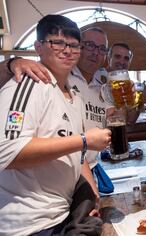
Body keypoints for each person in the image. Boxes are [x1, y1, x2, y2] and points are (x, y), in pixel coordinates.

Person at [0, 14, 111, 235]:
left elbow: (77, 154)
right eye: (57, 42)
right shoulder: (27, 83)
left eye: (73, 45)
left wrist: (91, 193)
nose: (67, 50)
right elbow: (6, 152)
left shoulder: (73, 95)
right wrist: (84, 140)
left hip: (62, 212)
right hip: (29, 221)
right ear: (38, 47)